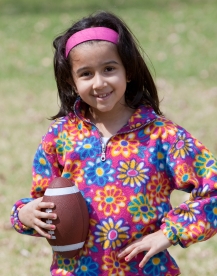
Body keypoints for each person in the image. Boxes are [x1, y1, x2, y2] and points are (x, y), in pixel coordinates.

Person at [10, 10, 217, 276]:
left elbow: (212, 189)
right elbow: (45, 203)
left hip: (145, 270)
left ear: (128, 71)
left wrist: (170, 232)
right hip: (75, 271)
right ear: (71, 82)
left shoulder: (163, 136)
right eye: (86, 74)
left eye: (109, 69)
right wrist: (24, 215)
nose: (99, 82)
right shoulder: (59, 136)